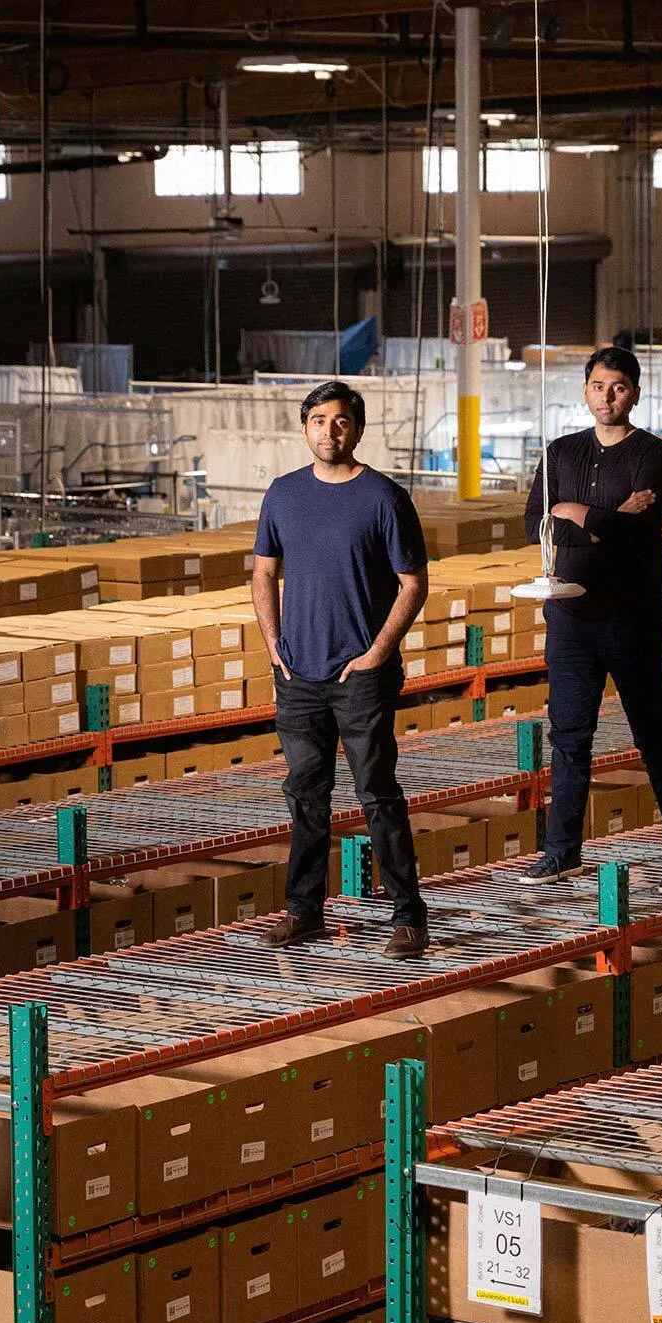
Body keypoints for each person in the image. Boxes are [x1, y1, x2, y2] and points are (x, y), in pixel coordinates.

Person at [251, 380, 431, 959]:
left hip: (360, 677)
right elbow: (262, 573)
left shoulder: (384, 497)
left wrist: (377, 653)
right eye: (320, 420)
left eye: (342, 421)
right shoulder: (281, 495)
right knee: (306, 794)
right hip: (298, 676)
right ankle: (304, 911)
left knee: (377, 792)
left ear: (357, 428)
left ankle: (409, 916)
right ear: (304, 427)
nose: (330, 430)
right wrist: (274, 643)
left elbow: (413, 584)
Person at [519, 346, 662, 893]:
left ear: (635, 393)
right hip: (571, 618)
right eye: (598, 385)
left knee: (654, 735)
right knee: (569, 736)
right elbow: (534, 525)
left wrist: (573, 513)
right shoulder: (560, 453)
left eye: (618, 386)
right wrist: (603, 520)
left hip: (632, 617)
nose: (607, 396)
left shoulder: (654, 456)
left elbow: (638, 530)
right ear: (585, 390)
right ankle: (562, 851)